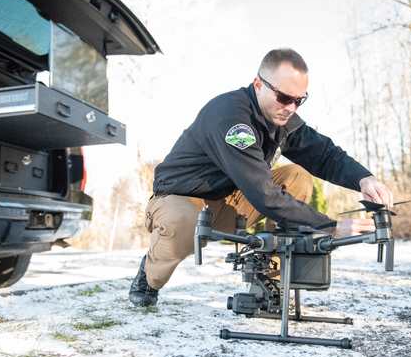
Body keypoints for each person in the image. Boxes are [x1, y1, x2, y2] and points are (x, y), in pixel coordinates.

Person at [129, 48, 393, 307]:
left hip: (231, 199)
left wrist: (364, 179)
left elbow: (323, 154)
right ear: (258, 85)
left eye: (299, 100)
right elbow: (263, 192)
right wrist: (330, 227)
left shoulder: (281, 118)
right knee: (183, 222)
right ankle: (149, 274)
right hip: (180, 200)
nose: (291, 108)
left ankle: (267, 283)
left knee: (297, 176)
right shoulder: (231, 118)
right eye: (284, 97)